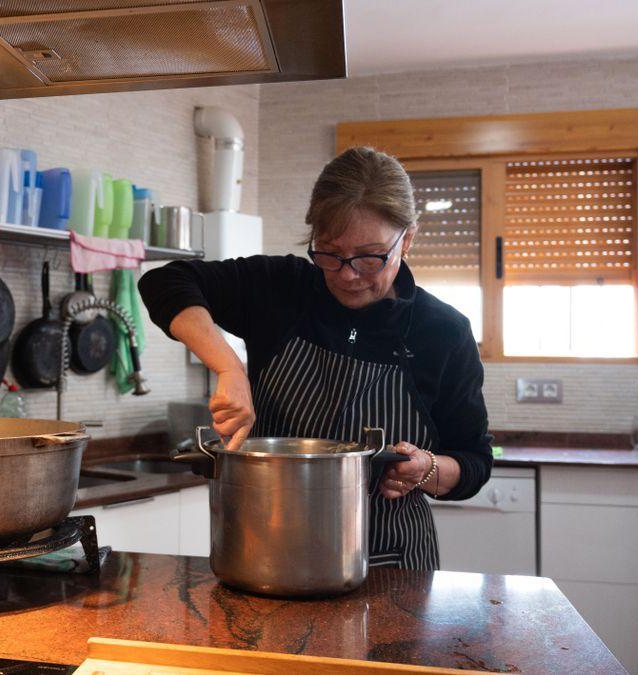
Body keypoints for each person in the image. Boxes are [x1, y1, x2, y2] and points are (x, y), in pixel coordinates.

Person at [138, 146, 492, 570]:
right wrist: (228, 366)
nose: (346, 273)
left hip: (391, 568)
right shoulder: (282, 289)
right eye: (329, 252)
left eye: (369, 256)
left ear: (408, 238)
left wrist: (428, 468)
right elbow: (165, 281)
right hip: (265, 557)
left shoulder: (444, 331)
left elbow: (473, 461)